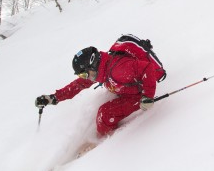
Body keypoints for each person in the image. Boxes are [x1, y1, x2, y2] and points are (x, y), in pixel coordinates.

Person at [35, 44, 165, 136]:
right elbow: (77, 85)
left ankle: (110, 141)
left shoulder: (118, 69)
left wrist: (147, 96)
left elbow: (146, 67)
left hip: (138, 95)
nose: (85, 78)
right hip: (126, 90)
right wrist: (53, 98)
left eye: (84, 74)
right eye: (82, 75)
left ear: (93, 65)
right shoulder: (101, 69)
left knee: (105, 114)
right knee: (103, 113)